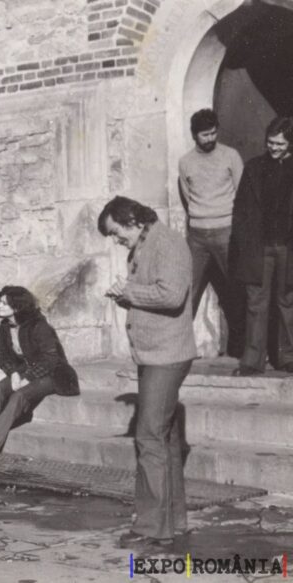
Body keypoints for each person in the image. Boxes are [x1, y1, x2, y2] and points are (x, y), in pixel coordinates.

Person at [98, 196, 196, 547]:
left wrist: (129, 292)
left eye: (116, 233)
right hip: (155, 353)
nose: (116, 240)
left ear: (132, 220)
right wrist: (128, 295)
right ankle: (175, 522)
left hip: (166, 355)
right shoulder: (147, 243)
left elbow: (171, 295)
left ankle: (152, 527)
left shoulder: (167, 243)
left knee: (149, 438)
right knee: (164, 440)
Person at [0, 286, 79, 458]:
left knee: (19, 396)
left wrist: (28, 378)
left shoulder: (39, 326)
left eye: (4, 304)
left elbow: (51, 359)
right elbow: (3, 355)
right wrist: (14, 374)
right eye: (0, 303)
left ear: (17, 307)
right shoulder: (5, 326)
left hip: (53, 373)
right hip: (24, 370)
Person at [178, 108, 245, 356]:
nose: (210, 139)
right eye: (205, 135)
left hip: (226, 231)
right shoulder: (185, 162)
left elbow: (241, 195)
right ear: (195, 135)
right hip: (196, 235)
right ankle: (179, 348)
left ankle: (241, 348)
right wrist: (199, 217)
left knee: (236, 289)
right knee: (188, 291)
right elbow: (187, 196)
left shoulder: (231, 156)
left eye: (213, 133)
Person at [231, 117, 293, 376]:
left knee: (286, 303)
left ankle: (287, 357)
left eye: (280, 143)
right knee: (256, 303)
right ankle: (252, 360)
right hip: (260, 248)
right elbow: (242, 209)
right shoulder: (254, 167)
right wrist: (245, 243)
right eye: (270, 142)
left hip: (288, 249)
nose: (274, 148)